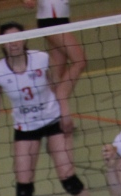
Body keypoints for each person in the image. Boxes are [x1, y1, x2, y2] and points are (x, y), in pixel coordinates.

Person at [0, 22, 121, 196]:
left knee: (68, 177)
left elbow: (58, 88)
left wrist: (65, 113)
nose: (14, 43)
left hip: (52, 119)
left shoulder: (41, 59)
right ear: (2, 44)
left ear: (25, 39)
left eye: (18, 37)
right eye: (8, 40)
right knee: (23, 185)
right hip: (25, 128)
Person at [22, 0, 86, 138]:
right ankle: (61, 99)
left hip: (62, 17)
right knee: (80, 61)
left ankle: (46, 116)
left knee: (57, 72)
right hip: (51, 19)